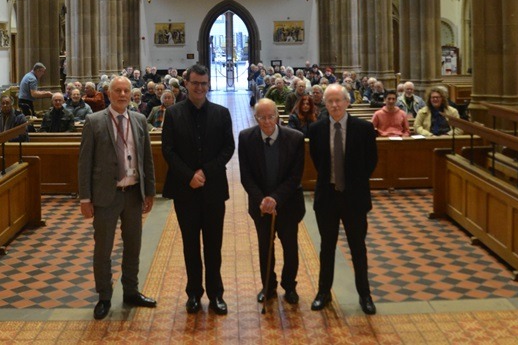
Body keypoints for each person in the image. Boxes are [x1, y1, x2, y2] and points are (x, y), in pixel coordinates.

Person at [78, 76, 157, 320]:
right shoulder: (94, 121)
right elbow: (85, 162)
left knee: (133, 246)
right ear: (109, 94)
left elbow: (146, 159)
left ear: (132, 94)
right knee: (103, 249)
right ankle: (104, 296)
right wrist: (85, 199)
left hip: (133, 193)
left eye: (126, 91)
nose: (123, 95)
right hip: (106, 196)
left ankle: (131, 291)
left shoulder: (140, 120)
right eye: (118, 91)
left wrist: (150, 191)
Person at [161, 64, 235, 315]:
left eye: (204, 84)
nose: (200, 88)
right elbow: (167, 151)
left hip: (213, 189)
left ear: (208, 84)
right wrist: (189, 175)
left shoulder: (221, 113)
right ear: (187, 83)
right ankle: (193, 293)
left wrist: (205, 172)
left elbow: (228, 148)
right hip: (185, 190)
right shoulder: (172, 113)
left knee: (213, 246)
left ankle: (216, 294)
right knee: (190, 245)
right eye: (195, 83)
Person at [308, 84, 378, 315]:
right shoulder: (317, 129)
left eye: (338, 100)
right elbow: (319, 161)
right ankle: (323, 292)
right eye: (330, 102)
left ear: (347, 102)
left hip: (354, 198)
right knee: (326, 247)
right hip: (327, 197)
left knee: (358, 248)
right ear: (324, 104)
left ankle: (365, 295)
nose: (334, 105)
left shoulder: (364, 129)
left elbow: (371, 162)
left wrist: (350, 184)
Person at [238, 99, 305, 305]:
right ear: (255, 117)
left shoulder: (295, 138)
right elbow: (246, 176)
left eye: (270, 116)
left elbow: (295, 176)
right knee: (265, 247)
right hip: (261, 207)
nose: (266, 121)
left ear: (277, 116)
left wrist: (275, 198)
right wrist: (263, 200)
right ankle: (268, 286)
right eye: (261, 117)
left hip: (288, 204)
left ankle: (289, 286)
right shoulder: (246, 137)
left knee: (290, 248)